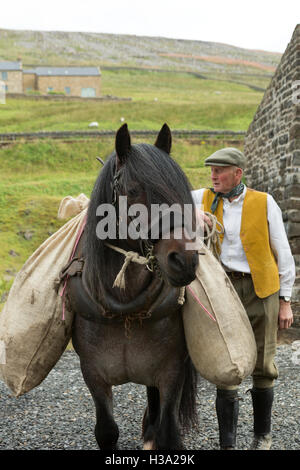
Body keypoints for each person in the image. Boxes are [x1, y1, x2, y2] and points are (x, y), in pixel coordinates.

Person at [192, 147, 295, 450]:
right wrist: (192, 211)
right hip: (222, 290)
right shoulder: (202, 197)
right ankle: (227, 445)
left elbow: (284, 253)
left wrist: (286, 300)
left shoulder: (264, 202)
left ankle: (261, 437)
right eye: (211, 170)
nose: (213, 175)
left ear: (238, 173)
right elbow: (167, 197)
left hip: (262, 289)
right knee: (226, 364)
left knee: (264, 364)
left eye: (220, 170)